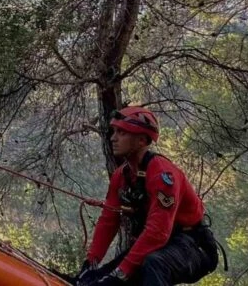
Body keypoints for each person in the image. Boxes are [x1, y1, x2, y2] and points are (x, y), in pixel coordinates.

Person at [76, 106, 221, 286]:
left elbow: (158, 231)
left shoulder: (162, 175)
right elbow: (109, 220)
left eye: (122, 133)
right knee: (93, 279)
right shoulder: (121, 176)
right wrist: (90, 262)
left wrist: (121, 273)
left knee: (153, 264)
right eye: (114, 132)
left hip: (193, 246)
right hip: (161, 244)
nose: (113, 138)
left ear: (142, 140)